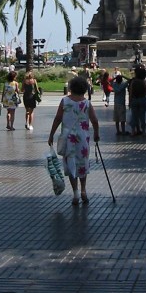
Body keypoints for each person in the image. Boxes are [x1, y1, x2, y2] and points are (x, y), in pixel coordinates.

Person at [48, 75, 100, 205]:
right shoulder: (87, 103)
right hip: (83, 138)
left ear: (71, 87)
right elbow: (94, 120)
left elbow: (57, 118)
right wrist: (96, 134)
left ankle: (75, 192)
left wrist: (51, 134)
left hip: (68, 138)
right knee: (82, 163)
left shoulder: (65, 101)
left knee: (70, 163)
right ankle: (83, 190)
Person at [128, 66, 146, 136]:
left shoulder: (133, 82)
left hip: (134, 99)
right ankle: (143, 131)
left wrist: (129, 102)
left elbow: (130, 92)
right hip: (142, 98)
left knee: (134, 116)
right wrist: (143, 94)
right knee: (142, 116)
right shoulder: (143, 81)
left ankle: (133, 131)